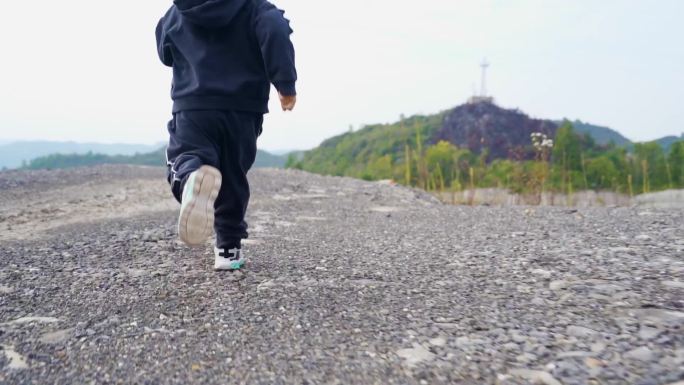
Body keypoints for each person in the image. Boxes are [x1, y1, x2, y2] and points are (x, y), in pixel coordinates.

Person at [155, 0, 297, 270]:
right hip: (244, 110)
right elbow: (275, 29)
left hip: (194, 106)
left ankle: (189, 181)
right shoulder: (256, 8)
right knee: (233, 176)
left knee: (186, 156)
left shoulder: (178, 11)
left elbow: (165, 53)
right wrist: (285, 84)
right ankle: (228, 249)